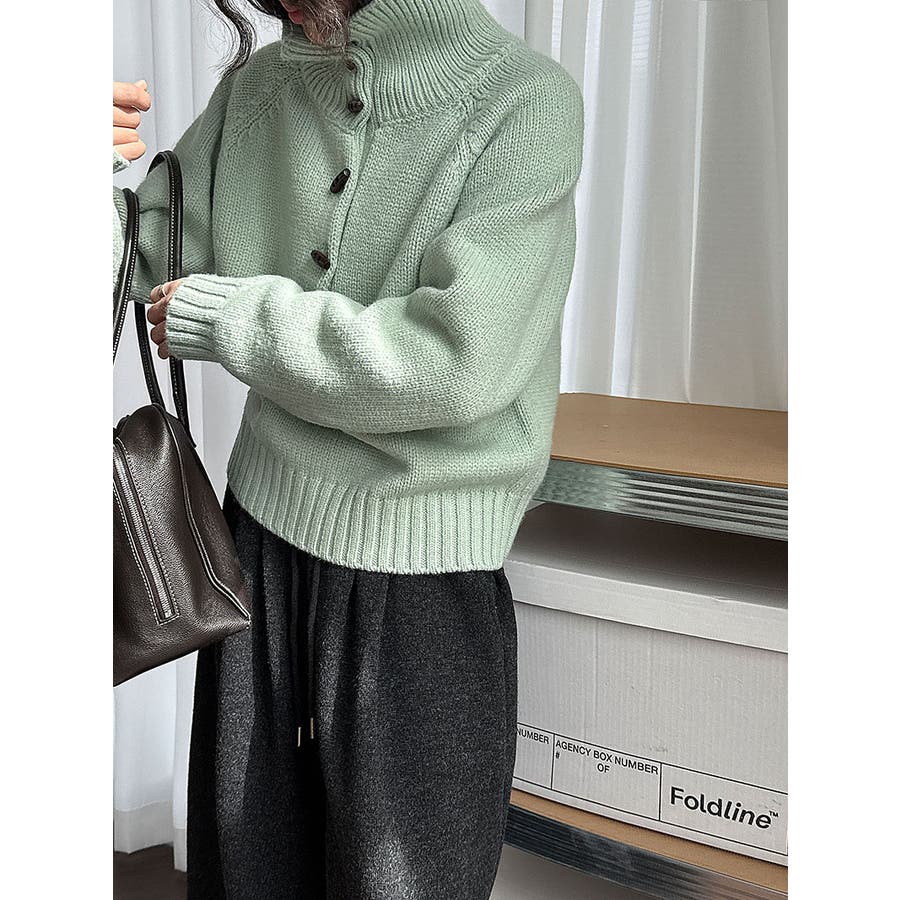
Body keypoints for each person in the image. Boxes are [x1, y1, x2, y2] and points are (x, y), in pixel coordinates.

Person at [113, 0, 583, 896]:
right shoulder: (260, 89)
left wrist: (235, 318)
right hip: (258, 546)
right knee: (245, 873)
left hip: (424, 576)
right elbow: (135, 257)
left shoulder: (522, 101)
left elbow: (461, 362)